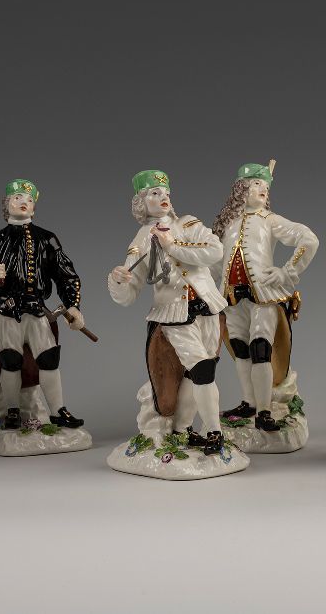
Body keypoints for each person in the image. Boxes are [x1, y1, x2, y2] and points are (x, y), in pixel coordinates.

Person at [108, 170, 228, 455]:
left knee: (196, 374)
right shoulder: (142, 238)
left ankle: (182, 430)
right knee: (202, 369)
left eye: (165, 192)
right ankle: (215, 432)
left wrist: (173, 246)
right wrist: (118, 280)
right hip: (174, 313)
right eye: (154, 193)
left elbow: (215, 251)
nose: (163, 197)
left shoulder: (188, 224)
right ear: (141, 203)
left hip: (208, 306)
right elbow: (129, 293)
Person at [0, 179, 86, 430]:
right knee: (10, 360)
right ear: (6, 204)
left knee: (49, 358)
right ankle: (12, 411)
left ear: (34, 207)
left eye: (28, 199)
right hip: (6, 311)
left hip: (38, 311)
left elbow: (66, 275)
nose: (23, 202)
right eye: (17, 198)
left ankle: (58, 411)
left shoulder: (47, 239)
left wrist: (73, 305)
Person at [213, 162, 318, 431]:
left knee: (261, 349)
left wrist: (287, 271)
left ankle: (264, 411)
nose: (263, 189)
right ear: (241, 189)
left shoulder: (270, 220)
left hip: (262, 296)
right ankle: (249, 402)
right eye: (257, 184)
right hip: (232, 299)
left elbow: (308, 239)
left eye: (265, 186)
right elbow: (214, 262)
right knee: (240, 349)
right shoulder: (227, 225)